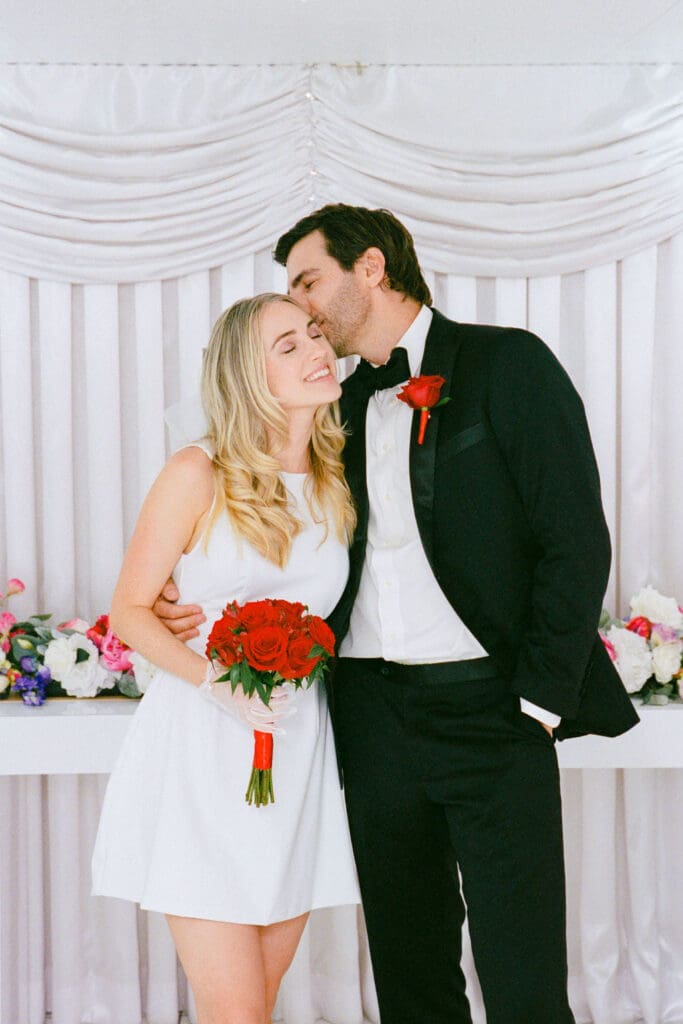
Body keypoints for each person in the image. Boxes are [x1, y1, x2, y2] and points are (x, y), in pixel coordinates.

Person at [155, 205, 639, 1024]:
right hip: (371, 712)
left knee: (521, 975)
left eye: (309, 281)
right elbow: (260, 518)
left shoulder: (507, 363)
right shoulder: (327, 405)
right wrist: (181, 600)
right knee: (409, 972)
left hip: (496, 708)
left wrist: (538, 704)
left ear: (371, 268)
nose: (303, 308)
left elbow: (575, 540)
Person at [91, 293, 360, 1024]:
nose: (314, 349)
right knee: (238, 1014)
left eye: (313, 333)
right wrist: (216, 684)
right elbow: (132, 610)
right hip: (204, 753)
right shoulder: (197, 471)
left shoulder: (337, 479)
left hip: (298, 751)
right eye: (286, 345)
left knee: (249, 1010)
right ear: (248, 375)